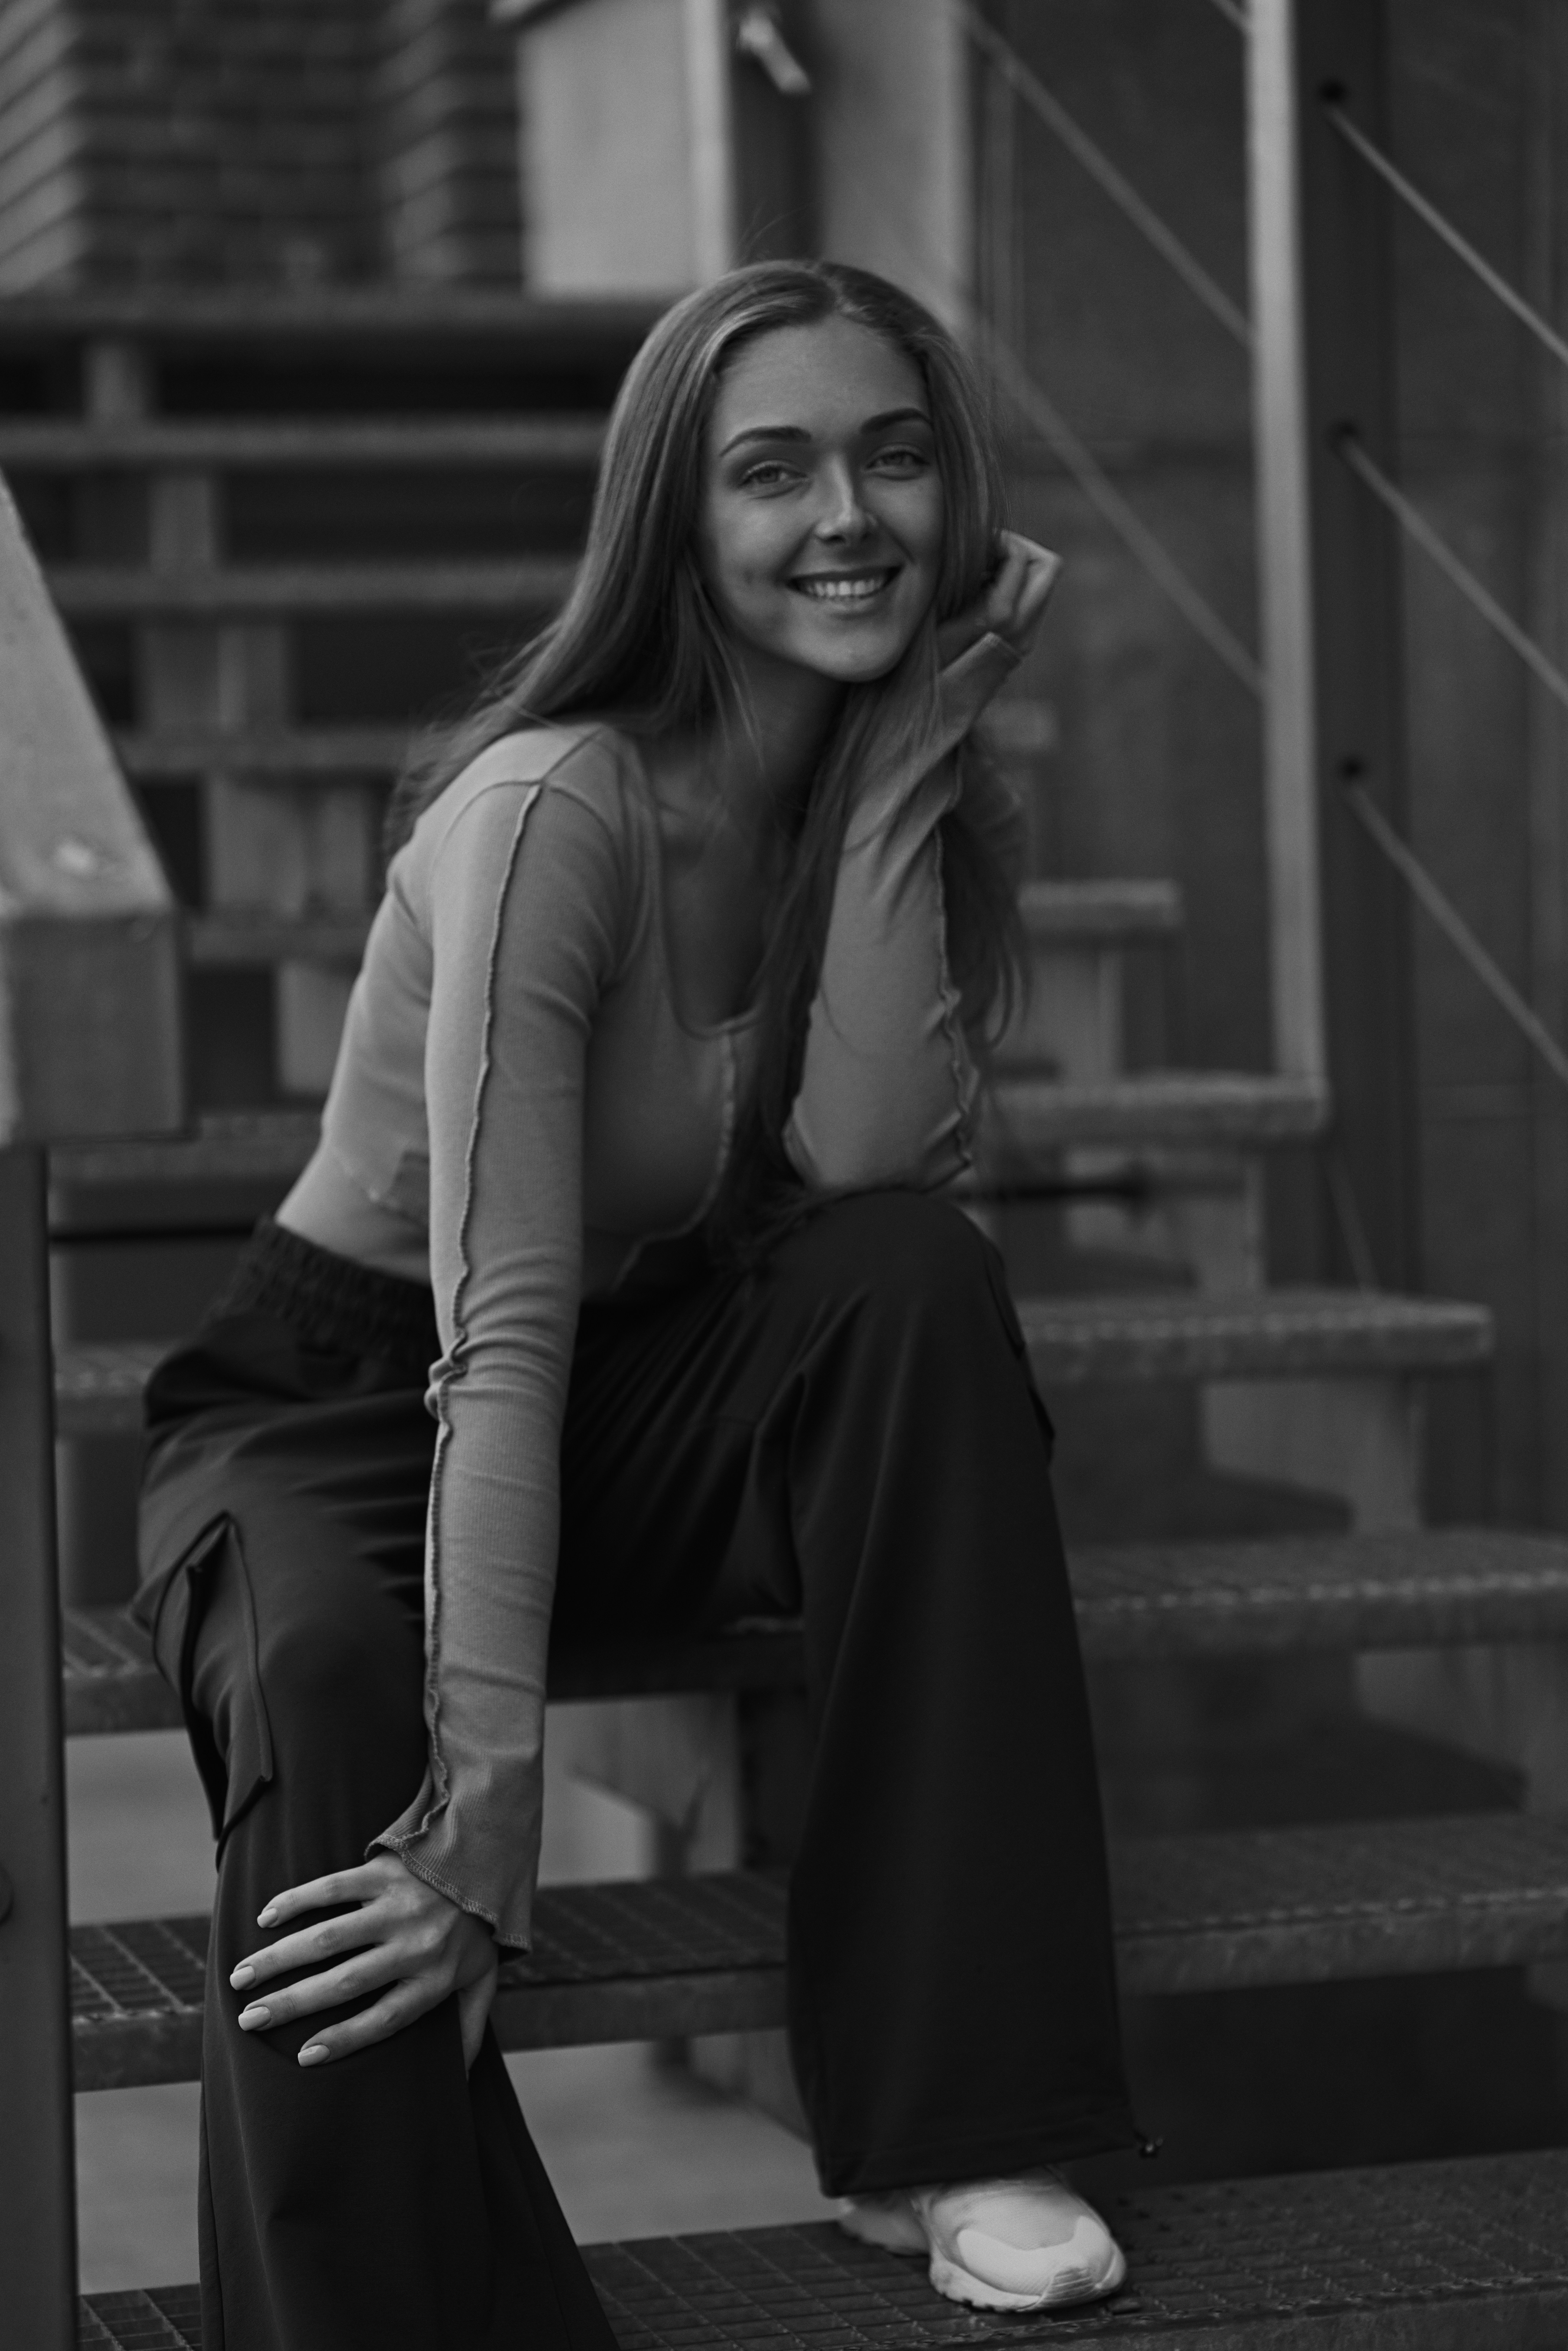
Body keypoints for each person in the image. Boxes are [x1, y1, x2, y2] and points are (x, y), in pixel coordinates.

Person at [135, 258, 1138, 2351]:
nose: (844, 515)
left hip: (648, 1376)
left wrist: (895, 769)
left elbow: (869, 1176)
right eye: (769, 471)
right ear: (672, 524)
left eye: (893, 456)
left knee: (910, 1285)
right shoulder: (549, 808)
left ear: (958, 492)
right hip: (344, 1398)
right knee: (333, 1703)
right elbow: (489, 1329)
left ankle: (952, 2124)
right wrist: (480, 1810)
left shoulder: (881, 794)